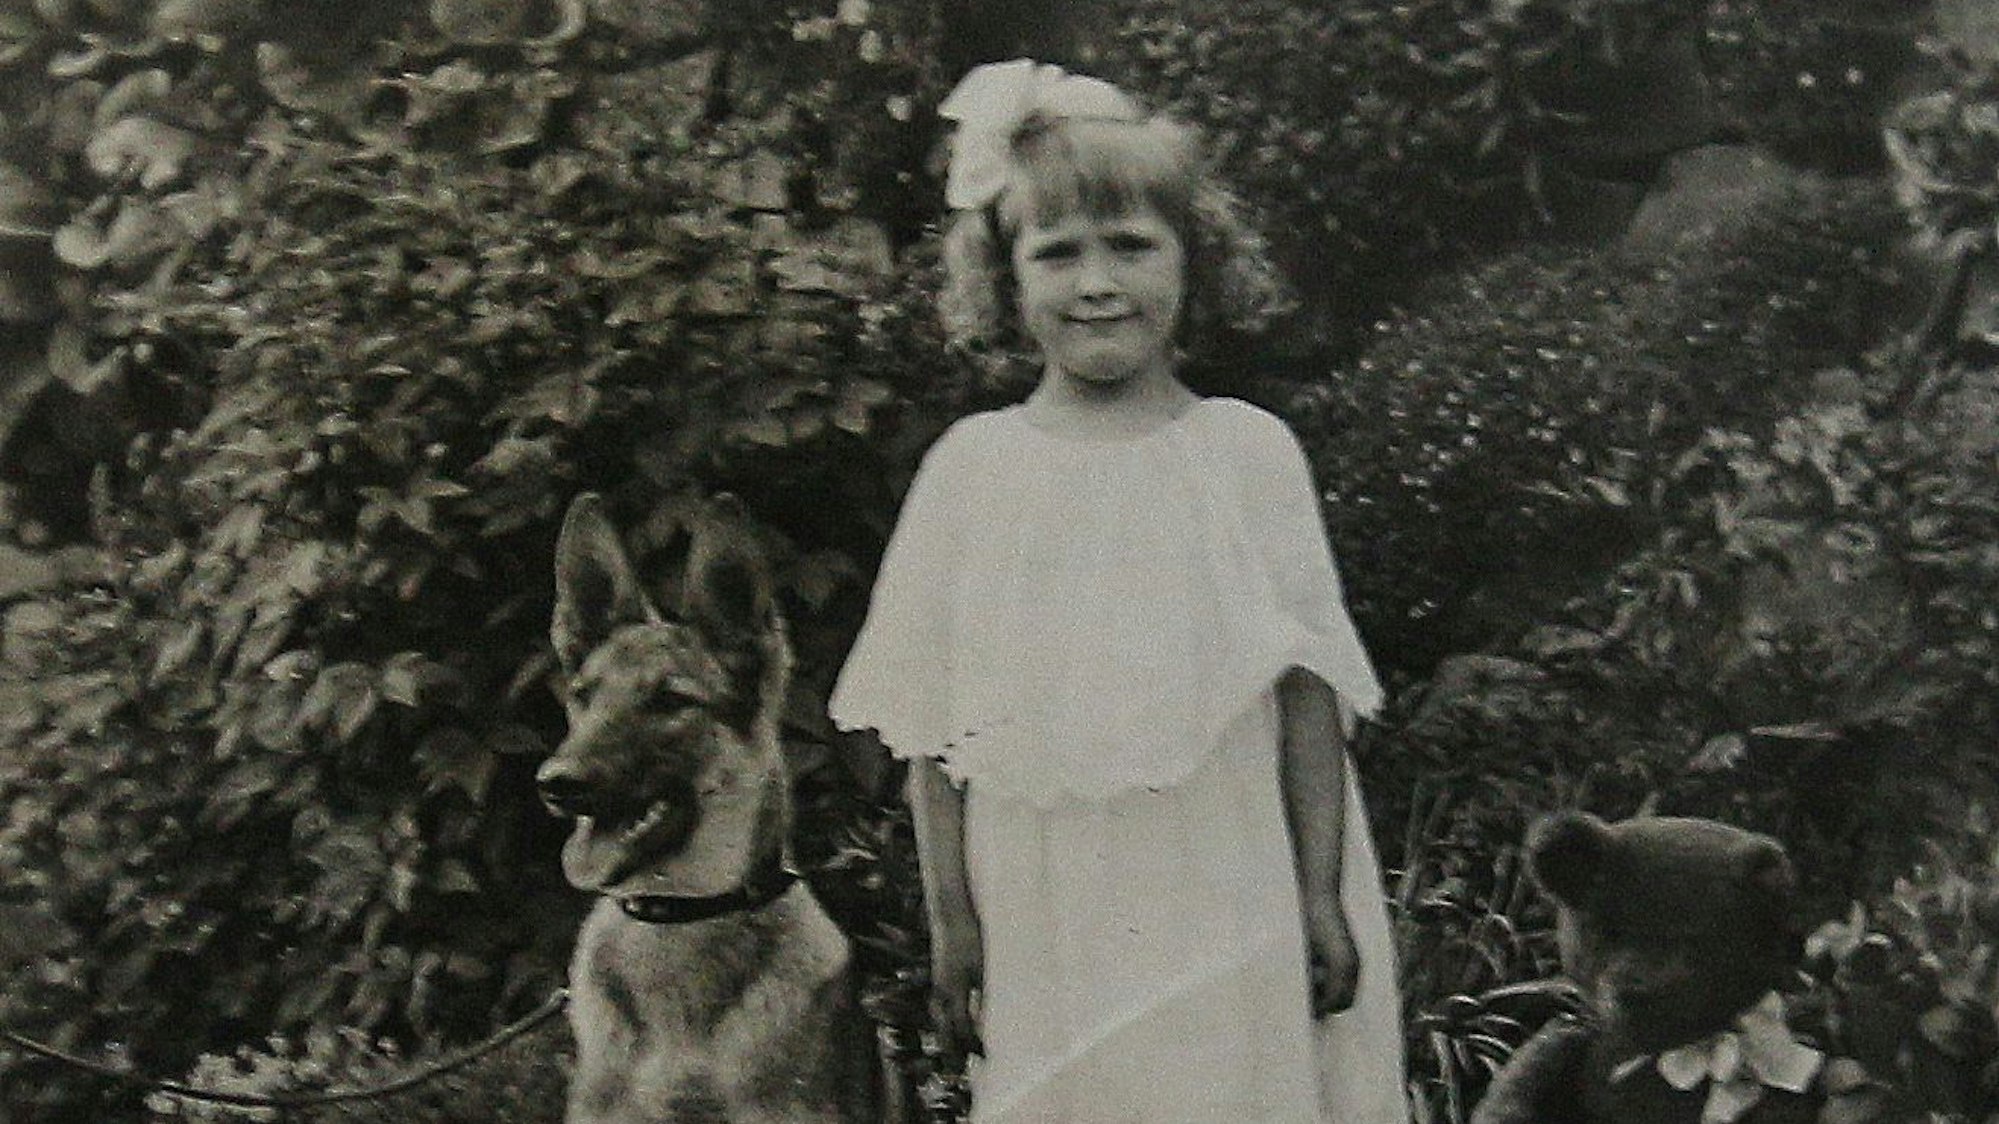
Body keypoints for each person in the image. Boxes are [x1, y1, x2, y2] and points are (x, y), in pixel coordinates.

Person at [831, 59, 1406, 1124]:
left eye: (1132, 246)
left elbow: (1306, 697)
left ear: (1196, 263)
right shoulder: (972, 468)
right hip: (1045, 893)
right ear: (1007, 284)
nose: (1097, 282)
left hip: (1224, 873)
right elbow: (930, 730)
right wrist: (955, 920)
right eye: (1057, 255)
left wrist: (1320, 895)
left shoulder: (1246, 454)